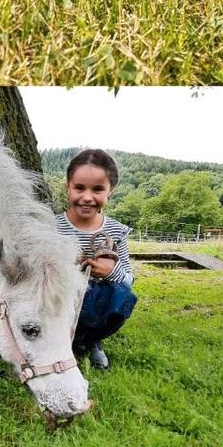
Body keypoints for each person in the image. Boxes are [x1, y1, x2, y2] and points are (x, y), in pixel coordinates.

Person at [55, 149, 137, 370]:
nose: (87, 197)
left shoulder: (116, 231)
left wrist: (111, 271)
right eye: (79, 188)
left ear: (110, 191)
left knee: (124, 295)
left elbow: (129, 279)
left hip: (95, 300)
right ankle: (58, 339)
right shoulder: (51, 227)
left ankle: (92, 340)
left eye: (98, 189)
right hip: (58, 296)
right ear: (68, 186)